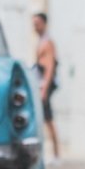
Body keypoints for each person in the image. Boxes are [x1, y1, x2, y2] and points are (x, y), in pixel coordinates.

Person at [32, 11, 61, 161]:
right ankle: (51, 153)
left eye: (37, 24)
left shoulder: (47, 43)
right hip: (42, 84)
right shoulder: (41, 41)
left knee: (48, 120)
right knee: (44, 119)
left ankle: (56, 154)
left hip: (45, 85)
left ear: (44, 24)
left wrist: (44, 89)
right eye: (33, 24)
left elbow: (49, 67)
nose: (34, 27)